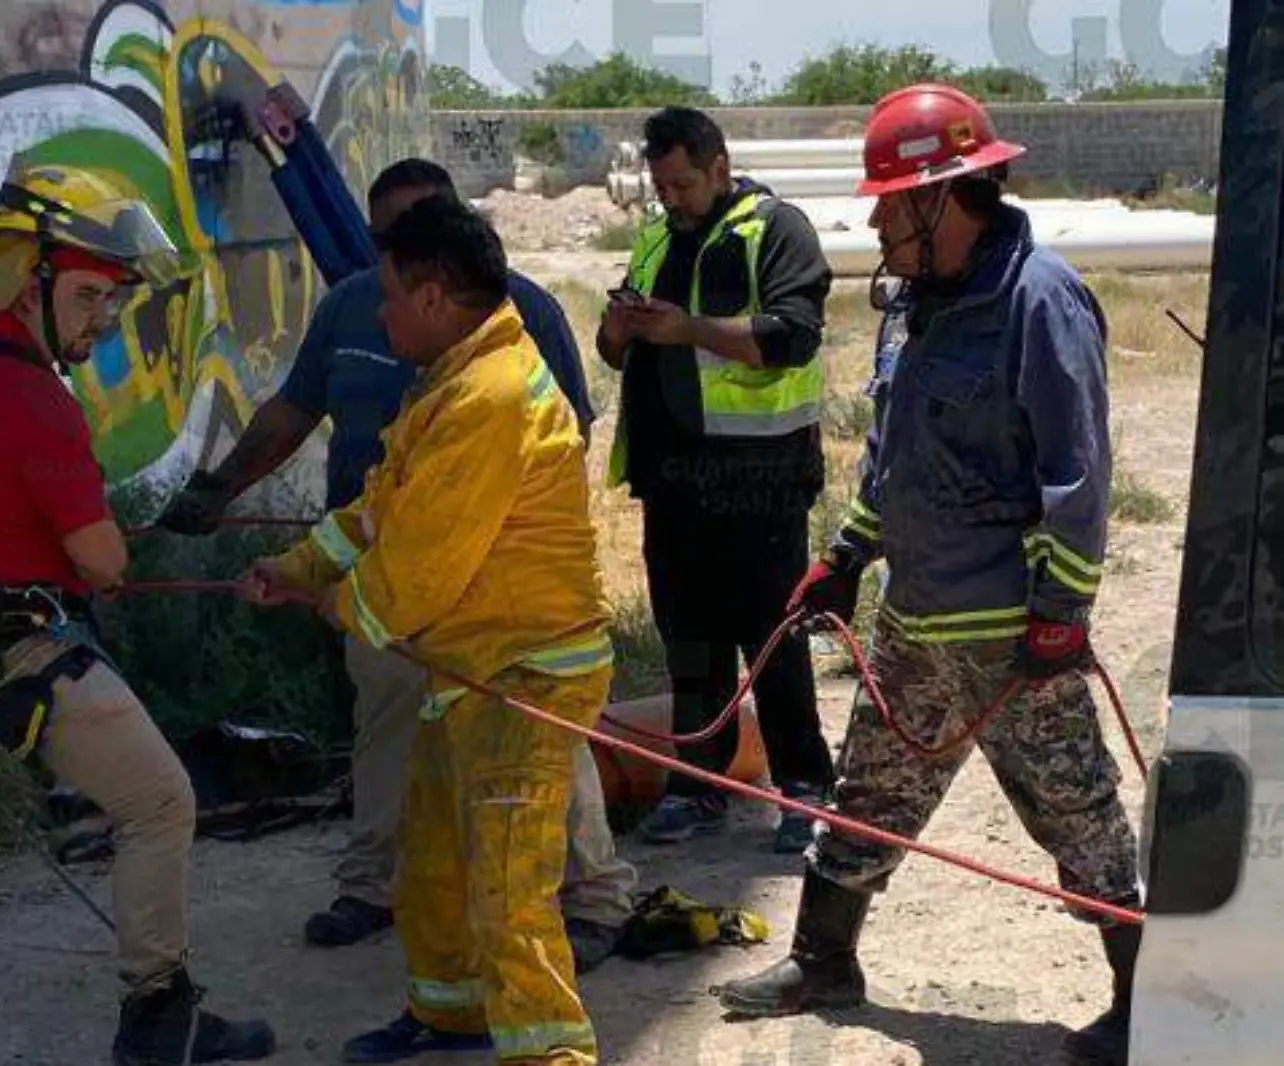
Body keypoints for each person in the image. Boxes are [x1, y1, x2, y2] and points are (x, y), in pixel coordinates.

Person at [709, 85, 1141, 1066]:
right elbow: (897, 461)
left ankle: (1142, 995)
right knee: (868, 791)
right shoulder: (915, 305)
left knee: (1076, 812)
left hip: (1009, 638)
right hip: (917, 623)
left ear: (944, 197)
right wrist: (844, 555)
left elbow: (1075, 478)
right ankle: (823, 961)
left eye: (888, 202)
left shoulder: (1040, 299)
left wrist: (1058, 616)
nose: (873, 221)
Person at [0, 155, 276, 1066]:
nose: (103, 322)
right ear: (27, 278)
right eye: (89, 298)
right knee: (159, 801)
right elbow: (104, 562)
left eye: (112, 302)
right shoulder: (35, 396)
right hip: (5, 654)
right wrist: (102, 542)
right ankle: (161, 1017)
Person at [157, 158, 637, 971]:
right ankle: (394, 922)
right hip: (416, 615)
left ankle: (591, 908)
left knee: (527, 815)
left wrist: (342, 602)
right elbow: (353, 474)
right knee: (413, 787)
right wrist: (272, 536)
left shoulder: (502, 361)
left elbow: (471, 516)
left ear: (438, 279)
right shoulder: (390, 335)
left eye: (408, 248)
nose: (385, 298)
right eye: (385, 239)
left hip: (502, 634)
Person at [240, 193, 617, 1066]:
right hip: (473, 667)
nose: (381, 315)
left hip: (525, 677)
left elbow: (414, 574)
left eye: (391, 297)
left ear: (437, 297)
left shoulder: (489, 398)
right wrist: (296, 569)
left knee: (509, 888)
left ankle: (551, 1053)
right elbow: (379, 509)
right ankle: (449, 1015)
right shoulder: (452, 380)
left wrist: (335, 604)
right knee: (437, 864)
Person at [597, 106, 838, 853]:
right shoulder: (655, 239)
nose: (671, 198)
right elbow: (616, 354)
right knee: (690, 643)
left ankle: (804, 787)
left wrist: (687, 329)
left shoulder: (775, 230)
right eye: (661, 185)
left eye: (683, 184)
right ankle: (699, 784)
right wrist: (620, 328)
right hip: (672, 486)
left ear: (720, 168)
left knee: (772, 639)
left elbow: (792, 337)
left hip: (757, 482)